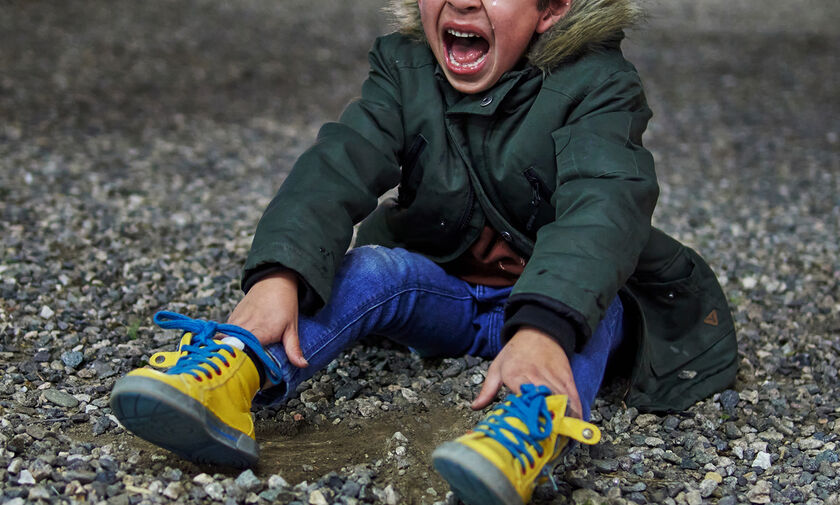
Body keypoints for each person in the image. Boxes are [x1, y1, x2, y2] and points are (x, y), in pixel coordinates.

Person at [111, 1, 738, 504]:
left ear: (550, 8)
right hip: (452, 295)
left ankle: (526, 432)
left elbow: (603, 208)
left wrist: (546, 326)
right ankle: (238, 370)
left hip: (555, 310)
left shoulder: (599, 85)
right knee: (374, 268)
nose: (463, 2)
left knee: (597, 314)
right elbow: (338, 166)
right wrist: (280, 271)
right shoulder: (407, 71)